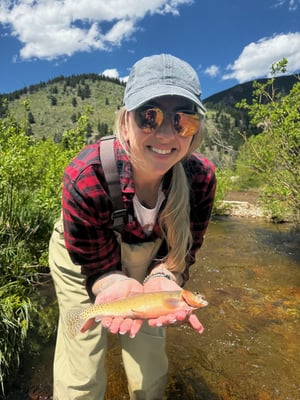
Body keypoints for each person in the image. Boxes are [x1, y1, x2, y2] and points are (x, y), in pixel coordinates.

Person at [49, 53, 216, 400]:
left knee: (149, 364)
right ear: (126, 121)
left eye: (183, 121)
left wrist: (162, 280)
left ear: (194, 130)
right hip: (82, 255)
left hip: (150, 259)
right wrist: (110, 281)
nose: (167, 132)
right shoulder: (86, 175)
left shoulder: (201, 179)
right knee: (81, 364)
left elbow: (180, 255)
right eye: (149, 116)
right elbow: (96, 267)